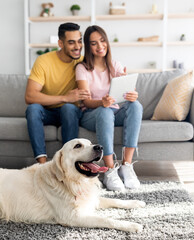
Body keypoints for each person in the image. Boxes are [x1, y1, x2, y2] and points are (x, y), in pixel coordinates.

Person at [75, 25, 143, 191]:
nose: (100, 46)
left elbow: (126, 93)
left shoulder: (115, 65)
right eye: (94, 43)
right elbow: (86, 102)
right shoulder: (82, 68)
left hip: (114, 111)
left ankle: (127, 166)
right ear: (88, 46)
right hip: (92, 114)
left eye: (102, 41)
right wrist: (101, 103)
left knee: (136, 105)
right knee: (105, 111)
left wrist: (132, 94)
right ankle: (110, 170)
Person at [25, 22, 90, 164]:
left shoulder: (83, 61)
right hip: (48, 112)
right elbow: (30, 96)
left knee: (68, 108)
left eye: (79, 41)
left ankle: (68, 162)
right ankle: (42, 164)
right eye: (71, 43)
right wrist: (65, 97)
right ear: (60, 43)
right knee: (33, 109)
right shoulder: (44, 61)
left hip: (70, 113)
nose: (78, 47)